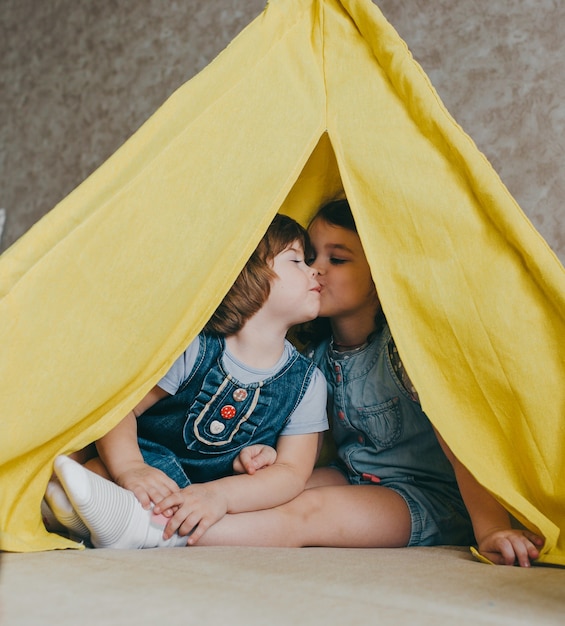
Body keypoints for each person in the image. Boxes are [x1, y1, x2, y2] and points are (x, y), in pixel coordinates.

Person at [52, 200, 545, 567]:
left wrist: (491, 528)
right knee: (266, 486)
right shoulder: (316, 357)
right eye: (309, 257)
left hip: (426, 494)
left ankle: (160, 533)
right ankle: (106, 510)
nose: (316, 270)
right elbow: (319, 446)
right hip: (355, 475)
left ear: (380, 276)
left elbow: (459, 443)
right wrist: (261, 457)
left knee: (307, 509)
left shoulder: (405, 351)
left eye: (339, 259)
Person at [45, 213, 328, 548]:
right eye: (296, 260)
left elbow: (292, 473)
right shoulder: (195, 349)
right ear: (248, 276)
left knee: (263, 505)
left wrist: (219, 495)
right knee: (96, 469)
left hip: (224, 495)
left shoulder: (308, 382)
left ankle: (108, 519)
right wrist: (131, 468)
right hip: (154, 471)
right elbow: (120, 409)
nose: (314, 270)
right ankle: (74, 513)